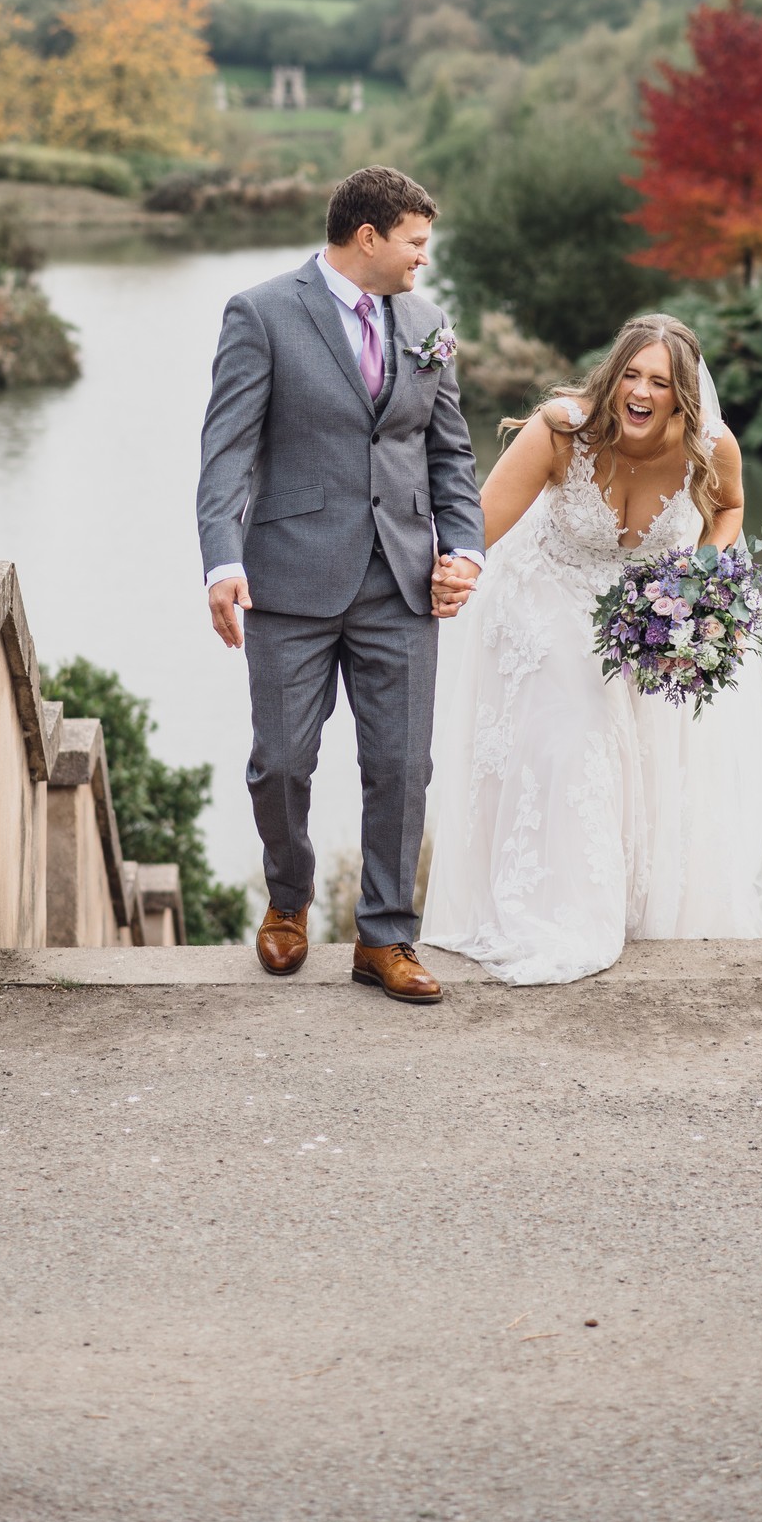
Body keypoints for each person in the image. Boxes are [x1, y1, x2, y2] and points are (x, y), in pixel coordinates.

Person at [420, 314, 762, 985]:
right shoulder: (562, 430)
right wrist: (462, 569)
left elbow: (730, 509)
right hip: (546, 591)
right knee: (577, 734)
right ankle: (559, 915)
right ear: (611, 377)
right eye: (630, 375)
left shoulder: (711, 446)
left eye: (659, 382)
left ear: (683, 395)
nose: (641, 392)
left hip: (640, 603)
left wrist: (696, 577)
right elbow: (482, 520)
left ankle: (626, 905)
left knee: (640, 752)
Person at [197, 165, 484, 1003]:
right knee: (281, 763)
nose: (423, 261)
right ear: (368, 238)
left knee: (402, 766)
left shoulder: (429, 324)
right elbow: (226, 451)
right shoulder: (261, 313)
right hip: (288, 578)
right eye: (415, 243)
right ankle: (287, 902)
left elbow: (450, 454)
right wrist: (222, 562)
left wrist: (463, 548)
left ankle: (385, 938)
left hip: (400, 580)